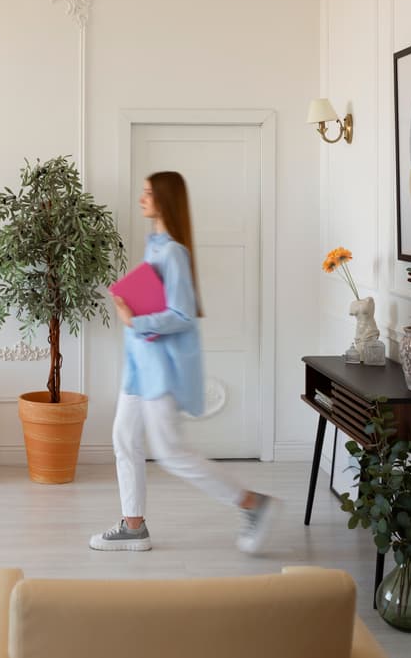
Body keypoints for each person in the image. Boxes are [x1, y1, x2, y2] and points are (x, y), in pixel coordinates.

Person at [90, 171, 281, 554]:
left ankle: (253, 503)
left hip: (159, 369)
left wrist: (134, 319)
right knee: (124, 438)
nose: (141, 198)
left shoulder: (173, 252)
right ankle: (133, 526)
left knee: (171, 451)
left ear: (165, 199)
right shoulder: (156, 247)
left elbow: (181, 314)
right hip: (139, 366)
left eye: (148, 193)